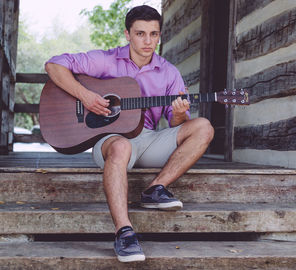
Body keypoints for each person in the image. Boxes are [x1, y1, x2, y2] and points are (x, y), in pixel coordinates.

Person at [45, 5, 214, 263]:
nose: (148, 41)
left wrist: (179, 112)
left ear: (159, 35)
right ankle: (124, 232)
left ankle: (156, 188)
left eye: (154, 34)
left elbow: (176, 124)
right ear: (127, 34)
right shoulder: (106, 60)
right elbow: (54, 65)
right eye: (140, 34)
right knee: (121, 146)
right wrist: (87, 97)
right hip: (111, 140)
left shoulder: (169, 72)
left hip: (148, 140)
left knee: (204, 127)